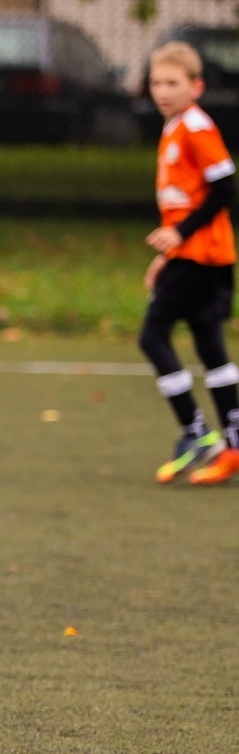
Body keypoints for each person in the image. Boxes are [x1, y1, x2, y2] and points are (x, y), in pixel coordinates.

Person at [139, 41, 239, 485]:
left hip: (202, 254)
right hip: (195, 254)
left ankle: (196, 431)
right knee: (208, 343)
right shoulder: (175, 125)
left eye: (172, 83)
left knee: (152, 334)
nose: (162, 90)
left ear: (196, 86)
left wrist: (180, 236)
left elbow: (225, 189)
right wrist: (167, 255)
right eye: (156, 82)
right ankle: (234, 441)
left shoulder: (196, 126)